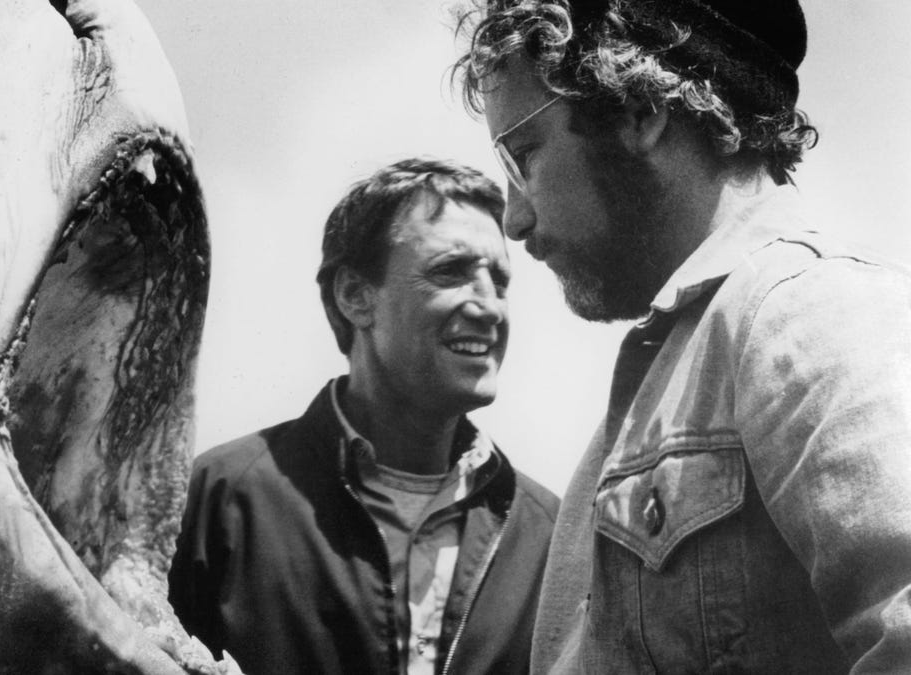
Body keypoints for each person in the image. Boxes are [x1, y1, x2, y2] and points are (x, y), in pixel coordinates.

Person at [452, 1, 911, 672]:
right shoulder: (662, 382)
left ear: (640, 110)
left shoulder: (804, 308)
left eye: (522, 157)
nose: (514, 219)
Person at [168, 158, 559, 674]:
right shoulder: (218, 500)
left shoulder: (552, 532)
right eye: (450, 272)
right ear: (355, 296)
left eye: (501, 282)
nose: (489, 308)